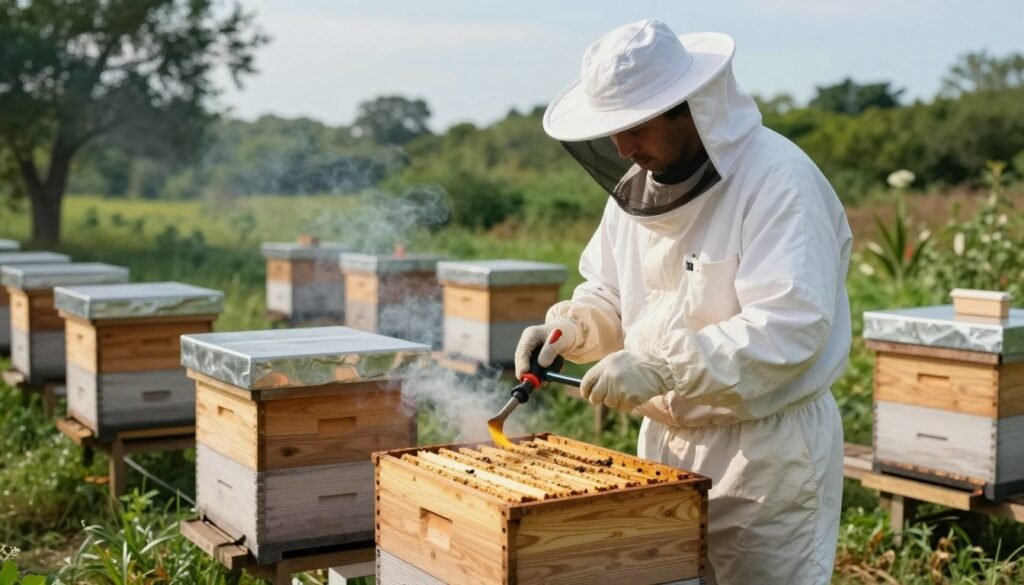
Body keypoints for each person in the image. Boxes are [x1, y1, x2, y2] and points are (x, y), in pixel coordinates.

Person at [515, 19, 852, 585]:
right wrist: (570, 329)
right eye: (612, 131)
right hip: (664, 446)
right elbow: (610, 292)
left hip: (764, 456)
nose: (622, 147)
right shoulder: (636, 191)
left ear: (689, 108)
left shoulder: (778, 180)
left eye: (636, 128)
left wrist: (663, 365)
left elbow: (789, 326)